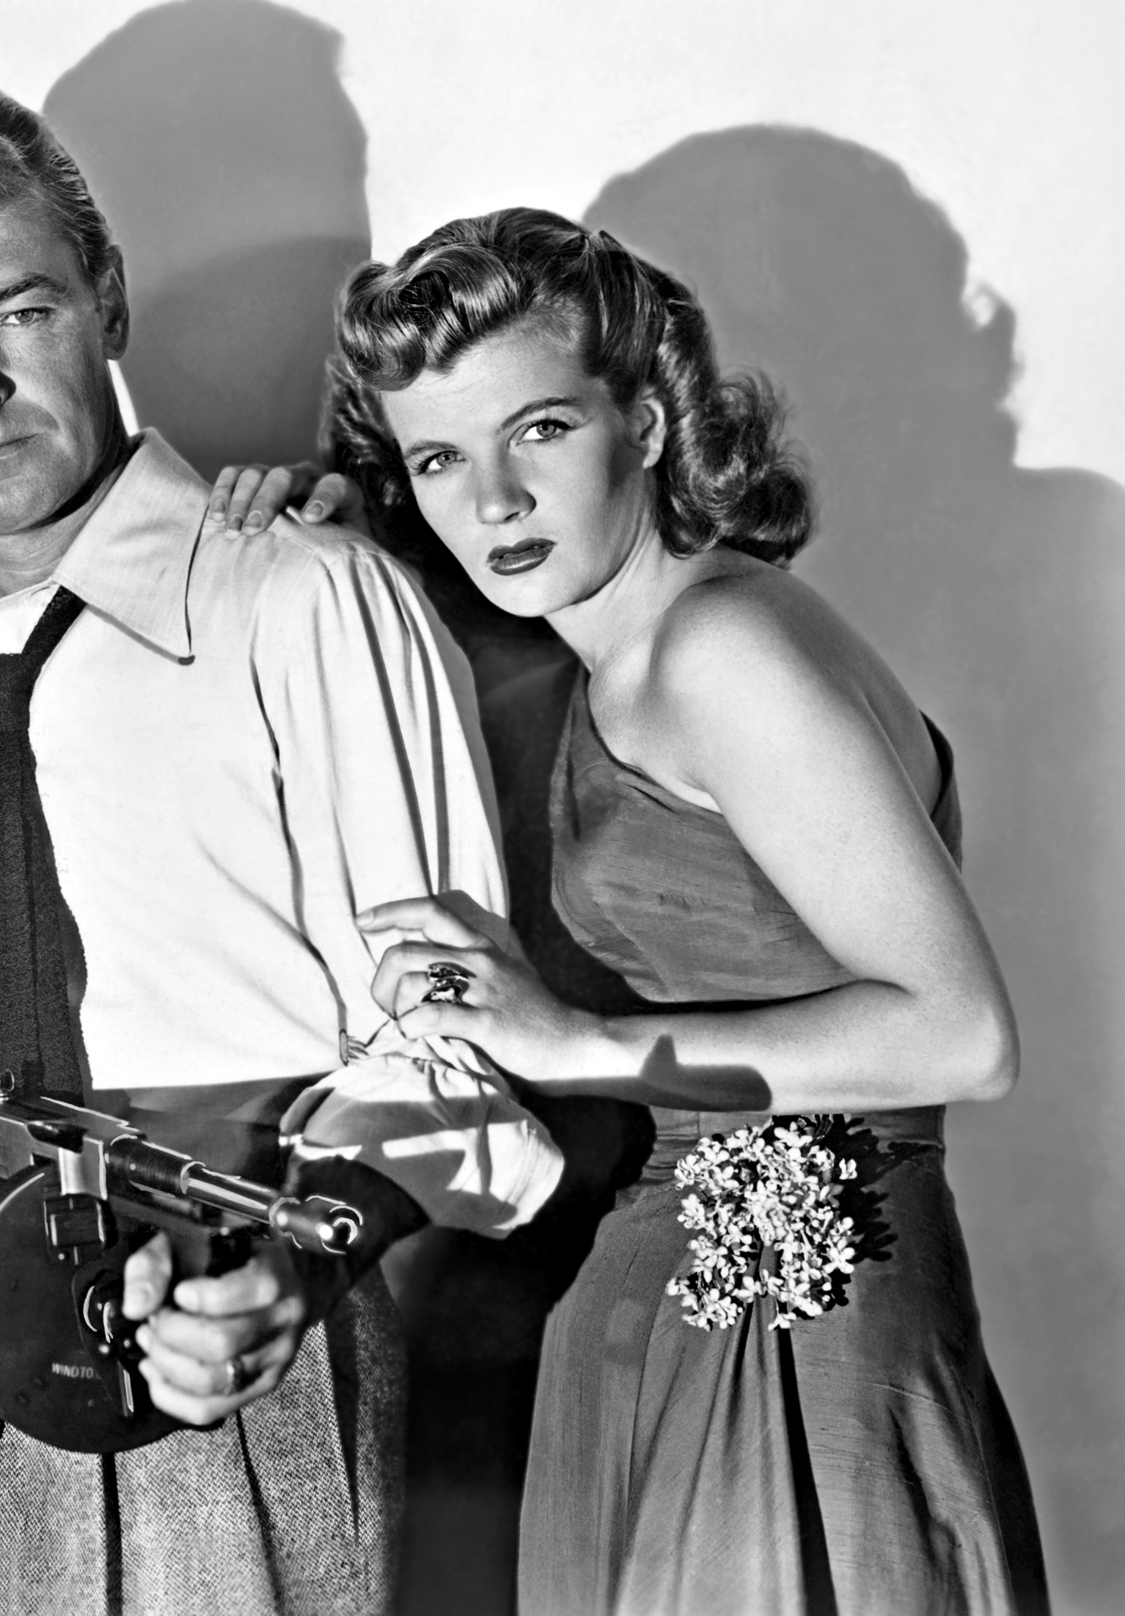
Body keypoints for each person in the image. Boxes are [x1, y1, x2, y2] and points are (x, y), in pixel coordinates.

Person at [0, 87, 566, 1616]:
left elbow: (463, 1040)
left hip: (245, 1363)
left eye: (20, 311)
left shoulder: (307, 598)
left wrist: (300, 1268)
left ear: (108, 300)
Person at [251, 205, 1045, 1613]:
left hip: (799, 1323)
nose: (496, 500)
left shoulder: (719, 647)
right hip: (674, 1309)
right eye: (441, 459)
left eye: (541, 430)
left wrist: (575, 1045)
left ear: (651, 420)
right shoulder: (612, 650)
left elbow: (961, 1034)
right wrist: (352, 538)